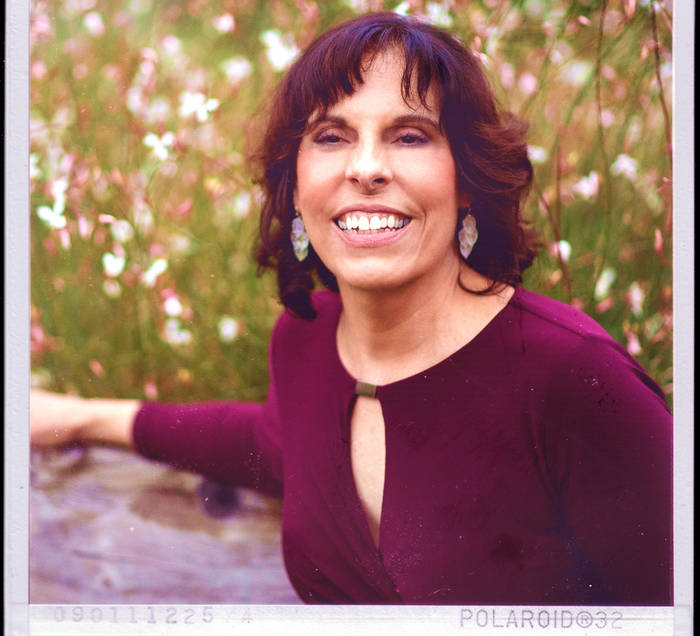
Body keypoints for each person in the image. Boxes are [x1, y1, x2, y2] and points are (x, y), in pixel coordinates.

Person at [30, 12, 672, 605]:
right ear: (294, 182)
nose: (366, 168)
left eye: (410, 136)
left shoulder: (573, 377)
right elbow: (272, 443)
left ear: (468, 180)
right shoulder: (305, 340)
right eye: (332, 136)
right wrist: (85, 418)